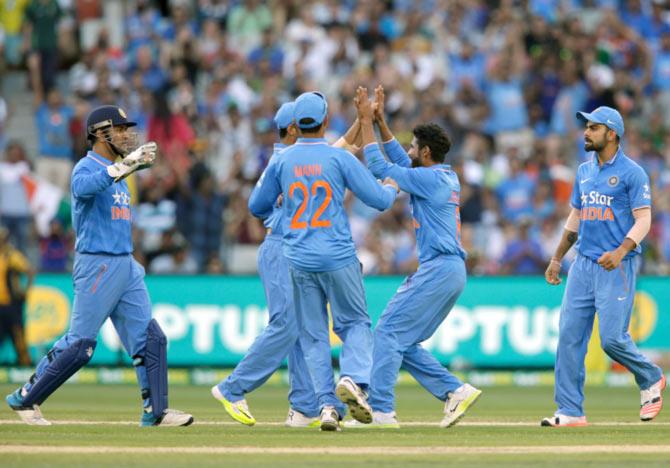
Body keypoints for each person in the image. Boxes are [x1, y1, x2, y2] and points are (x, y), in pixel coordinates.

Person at [5, 105, 193, 427]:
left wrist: (125, 168)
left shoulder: (121, 173)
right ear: (99, 133)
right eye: (119, 129)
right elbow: (82, 189)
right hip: (98, 264)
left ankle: (156, 411)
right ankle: (26, 397)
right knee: (80, 345)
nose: (125, 135)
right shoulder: (85, 167)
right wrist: (124, 168)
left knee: (150, 338)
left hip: (125, 263)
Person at [248, 91, 399, 431]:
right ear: (326, 122)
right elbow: (378, 200)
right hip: (337, 255)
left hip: (298, 257)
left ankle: (327, 406)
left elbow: (257, 206)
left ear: (294, 126)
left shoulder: (282, 161)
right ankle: (354, 379)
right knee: (355, 324)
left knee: (313, 336)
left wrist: (283, 211)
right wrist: (391, 186)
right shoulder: (336, 159)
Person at [347, 86, 481, 428]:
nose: (407, 150)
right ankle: (454, 391)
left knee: (389, 330)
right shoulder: (440, 175)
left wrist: (364, 122)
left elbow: (381, 165)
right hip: (449, 270)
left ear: (424, 152)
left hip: (439, 268)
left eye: (412, 146)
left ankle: (381, 410)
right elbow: (400, 158)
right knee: (402, 341)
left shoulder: (427, 179)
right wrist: (380, 121)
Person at [542, 106, 665, 427]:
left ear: (612, 133)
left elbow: (644, 219)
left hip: (616, 265)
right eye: (586, 127)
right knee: (569, 335)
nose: (586, 132)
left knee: (611, 339)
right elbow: (575, 217)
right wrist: (557, 257)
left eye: (594, 128)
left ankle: (651, 377)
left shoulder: (632, 172)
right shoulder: (583, 171)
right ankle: (569, 411)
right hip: (582, 264)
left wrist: (622, 250)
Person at [211, 101, 324, 428]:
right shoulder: (286, 158)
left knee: (302, 328)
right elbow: (255, 206)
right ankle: (233, 388)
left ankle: (303, 407)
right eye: (309, 124)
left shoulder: (294, 157)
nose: (315, 129)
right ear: (293, 130)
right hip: (281, 247)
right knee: (286, 324)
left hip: (295, 247)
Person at [0, 227, 33, 366]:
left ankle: (25, 366)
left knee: (19, 338)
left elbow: (29, 271)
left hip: (11, 305)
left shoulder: (12, 256)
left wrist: (25, 291)